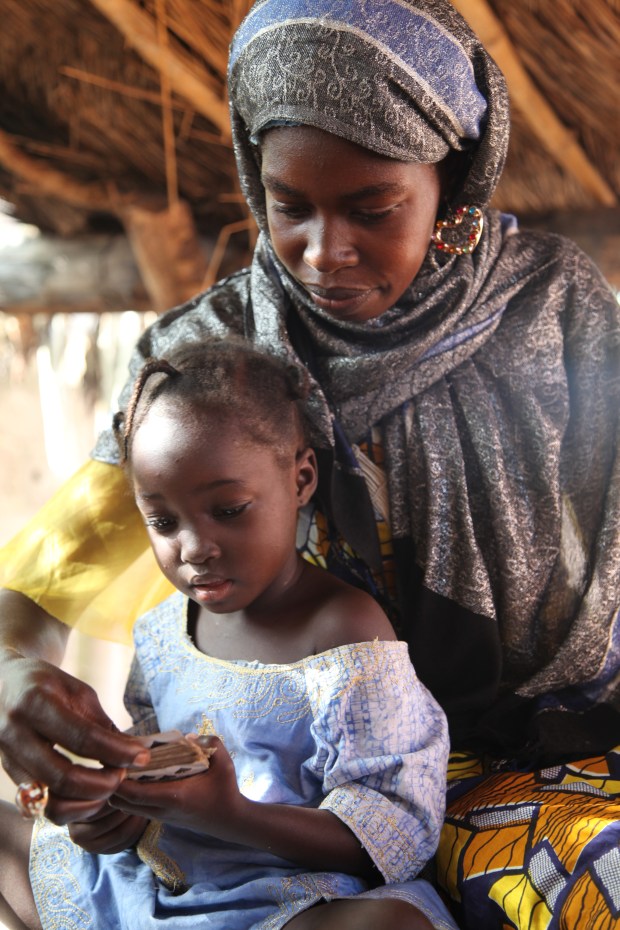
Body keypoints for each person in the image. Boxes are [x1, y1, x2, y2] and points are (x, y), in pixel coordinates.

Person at [0, 1, 618, 927]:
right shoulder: (205, 362)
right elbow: (44, 589)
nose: (324, 254)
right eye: (289, 207)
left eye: (373, 209)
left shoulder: (555, 309)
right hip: (290, 791)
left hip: (545, 758)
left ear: (449, 183)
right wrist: (13, 678)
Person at [0, 338, 456, 930]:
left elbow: (394, 833)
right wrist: (109, 814)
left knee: (389, 925)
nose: (193, 548)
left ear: (300, 479)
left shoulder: (343, 631)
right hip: (161, 880)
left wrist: (231, 813)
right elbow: (147, 776)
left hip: (285, 896)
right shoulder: (163, 630)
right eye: (162, 522)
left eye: (230, 509)